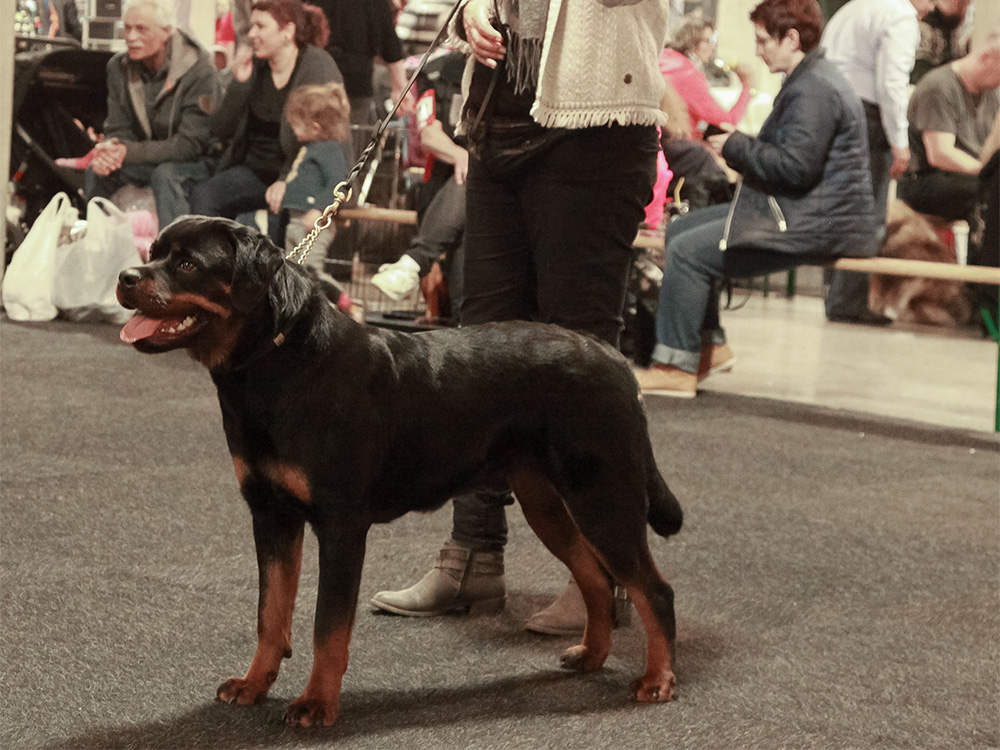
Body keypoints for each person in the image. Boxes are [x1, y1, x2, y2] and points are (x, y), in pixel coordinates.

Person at [369, 0, 668, 637]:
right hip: (496, 122)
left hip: (596, 132)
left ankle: (606, 573)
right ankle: (473, 556)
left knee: (580, 357)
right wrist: (473, 10)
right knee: (477, 352)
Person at [633, 0, 879, 398]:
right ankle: (709, 347)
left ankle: (675, 365)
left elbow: (795, 168)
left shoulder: (814, 88)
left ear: (792, 38)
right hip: (811, 213)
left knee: (690, 251)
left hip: (815, 223)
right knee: (681, 229)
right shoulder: (811, 79)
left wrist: (733, 145)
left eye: (764, 40)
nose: (758, 50)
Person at [190, 0, 342, 244]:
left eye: (260, 26)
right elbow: (220, 130)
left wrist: (285, 180)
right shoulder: (256, 65)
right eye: (251, 27)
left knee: (282, 218)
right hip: (254, 171)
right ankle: (215, 271)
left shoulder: (316, 65)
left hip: (300, 173)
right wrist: (239, 84)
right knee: (205, 196)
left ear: (287, 32)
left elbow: (326, 139)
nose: (251, 35)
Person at [820, 0, 933, 325]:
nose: (929, 9)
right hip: (866, 118)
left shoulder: (860, 5)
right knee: (866, 215)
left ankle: (838, 295)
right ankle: (848, 301)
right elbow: (892, 84)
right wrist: (900, 142)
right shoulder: (900, 15)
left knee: (842, 212)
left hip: (836, 111)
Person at [85, 0, 219, 229]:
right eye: (127, 28)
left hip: (197, 162)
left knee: (166, 175)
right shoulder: (118, 67)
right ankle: (99, 249)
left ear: (166, 32)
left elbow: (189, 146)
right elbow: (118, 126)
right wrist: (112, 150)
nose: (131, 36)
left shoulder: (199, 69)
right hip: (146, 158)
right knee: (97, 169)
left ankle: (175, 256)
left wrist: (127, 152)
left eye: (141, 29)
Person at [372, 49, 468, 305]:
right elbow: (428, 134)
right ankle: (414, 264)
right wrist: (460, 155)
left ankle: (414, 262)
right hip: (442, 187)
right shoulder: (438, 71)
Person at [897, 32, 1000, 225]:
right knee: (991, 193)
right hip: (926, 180)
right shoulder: (939, 86)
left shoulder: (991, 93)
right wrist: (986, 172)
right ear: (986, 58)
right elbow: (940, 154)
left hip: (966, 178)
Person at [658, 20, 752, 211]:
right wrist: (748, 87)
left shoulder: (664, 60)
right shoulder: (685, 72)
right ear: (693, 43)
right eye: (709, 40)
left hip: (660, 148)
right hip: (678, 156)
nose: (713, 46)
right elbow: (727, 121)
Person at [281, 82, 351, 281]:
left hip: (314, 223)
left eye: (295, 124)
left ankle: (343, 302)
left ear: (315, 127)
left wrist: (320, 209)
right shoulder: (309, 149)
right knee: (294, 272)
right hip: (296, 221)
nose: (292, 130)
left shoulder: (329, 151)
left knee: (312, 273)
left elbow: (338, 183)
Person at [310, 0, 412, 127]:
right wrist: (399, 82)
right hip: (349, 78)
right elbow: (385, 25)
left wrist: (400, 83)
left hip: (323, 76)